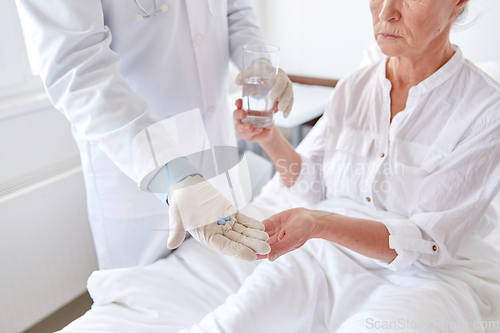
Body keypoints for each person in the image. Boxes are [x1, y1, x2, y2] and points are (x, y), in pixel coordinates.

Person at [16, 0, 294, 269]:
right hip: (138, 166)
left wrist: (258, 61)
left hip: (215, 151)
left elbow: (234, 9)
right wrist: (172, 174)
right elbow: (77, 69)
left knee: (230, 281)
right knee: (151, 303)